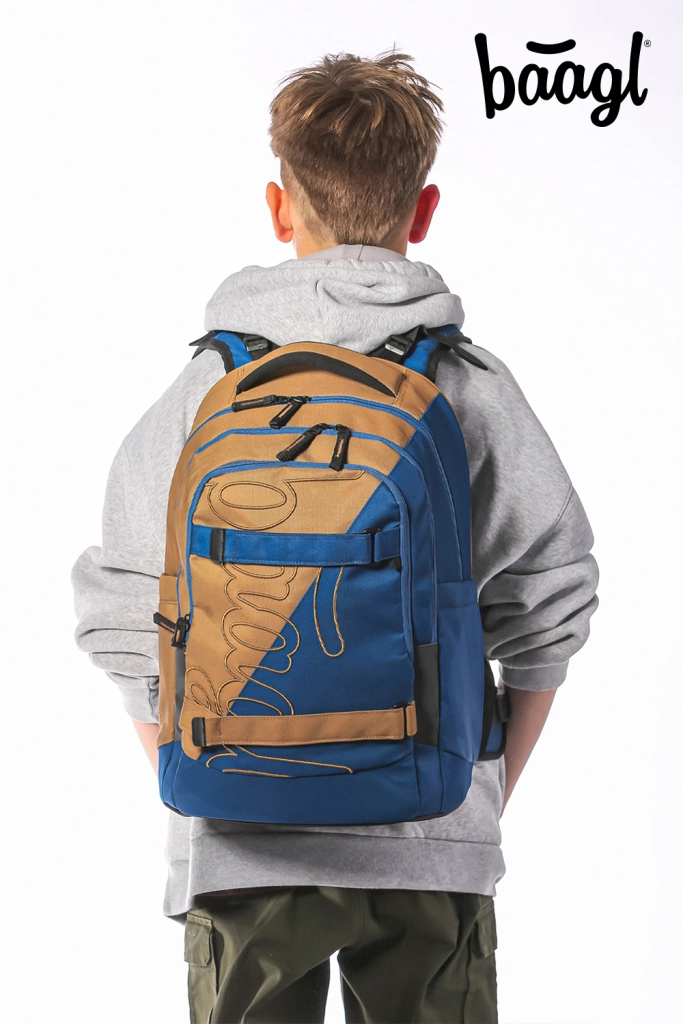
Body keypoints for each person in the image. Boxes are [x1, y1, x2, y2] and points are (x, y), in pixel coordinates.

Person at [72, 51, 599, 1024]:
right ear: (422, 210)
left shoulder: (207, 389)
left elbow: (119, 613)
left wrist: (202, 779)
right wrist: (472, 792)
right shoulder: (467, 384)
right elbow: (549, 610)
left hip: (239, 850)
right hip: (430, 844)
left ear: (279, 208)